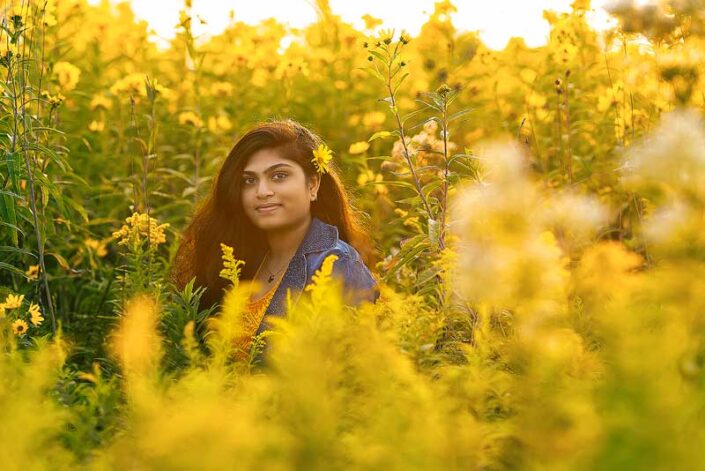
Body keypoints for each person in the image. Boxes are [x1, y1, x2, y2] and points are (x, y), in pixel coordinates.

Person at [172, 119, 379, 365]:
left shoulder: (337, 265)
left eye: (279, 176)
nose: (262, 191)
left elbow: (356, 377)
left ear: (313, 184)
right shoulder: (240, 259)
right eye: (249, 180)